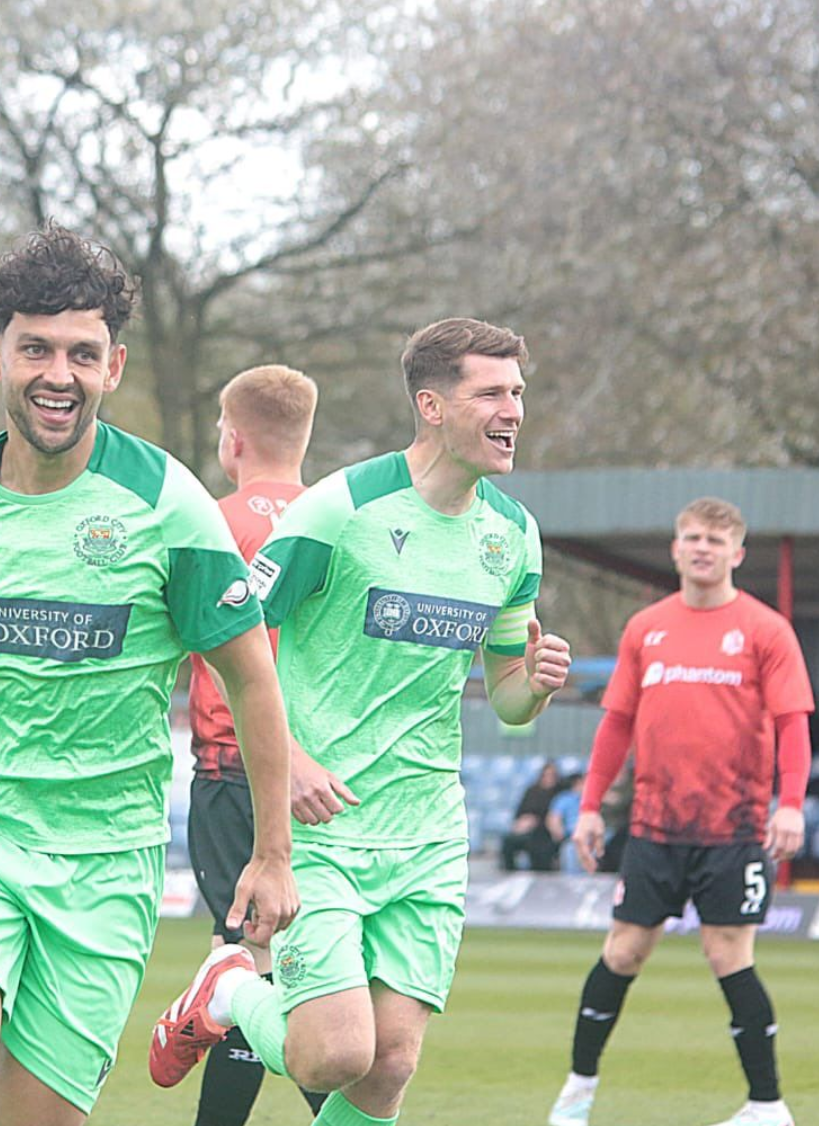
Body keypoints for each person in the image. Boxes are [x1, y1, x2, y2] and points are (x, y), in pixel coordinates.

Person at [0, 226, 318, 1126]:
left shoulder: (169, 505)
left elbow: (252, 677)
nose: (60, 374)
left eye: (82, 354)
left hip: (107, 856)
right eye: (37, 349)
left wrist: (273, 852)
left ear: (114, 366)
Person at [152, 317, 571, 1126]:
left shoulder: (514, 536)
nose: (513, 410)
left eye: (518, 393)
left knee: (390, 1066)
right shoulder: (337, 508)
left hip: (428, 832)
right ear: (432, 406)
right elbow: (237, 649)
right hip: (324, 830)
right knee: (333, 1055)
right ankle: (231, 988)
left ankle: (237, 989)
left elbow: (509, 698)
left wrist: (537, 683)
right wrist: (290, 758)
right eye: (491, 393)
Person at [547, 497, 814, 1126]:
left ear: (736, 554)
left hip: (733, 829)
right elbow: (617, 723)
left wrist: (791, 805)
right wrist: (590, 807)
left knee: (729, 956)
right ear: (675, 548)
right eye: (692, 537)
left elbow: (792, 722)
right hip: (655, 826)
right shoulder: (646, 628)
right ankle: (577, 1093)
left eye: (715, 541)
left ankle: (767, 1106)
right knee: (623, 952)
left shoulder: (766, 629)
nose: (702, 549)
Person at [182, 364, 328, 1126]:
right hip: (323, 777)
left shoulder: (210, 523)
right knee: (270, 962)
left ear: (233, 439)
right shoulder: (336, 523)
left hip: (233, 769)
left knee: (251, 969)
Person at [500, 760, 564, 871]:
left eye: (552, 775)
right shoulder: (532, 791)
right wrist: (522, 822)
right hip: (528, 829)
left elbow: (556, 815)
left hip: (546, 831)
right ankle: (510, 871)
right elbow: (520, 812)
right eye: (546, 774)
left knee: (538, 842)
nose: (549, 778)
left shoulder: (560, 792)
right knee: (508, 840)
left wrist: (536, 821)